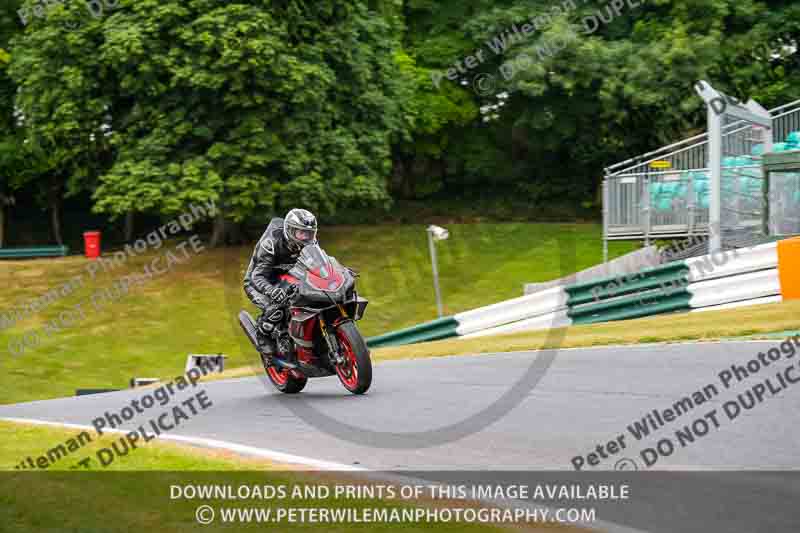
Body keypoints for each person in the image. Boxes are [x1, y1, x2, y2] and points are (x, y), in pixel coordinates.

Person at [243, 208, 318, 361]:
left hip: (288, 276)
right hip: (260, 281)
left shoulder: (311, 242)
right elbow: (257, 276)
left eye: (309, 233)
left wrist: (336, 271)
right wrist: (271, 291)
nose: (306, 237)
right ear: (290, 230)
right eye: (301, 233)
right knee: (277, 308)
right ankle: (262, 333)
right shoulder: (271, 244)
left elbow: (319, 262)